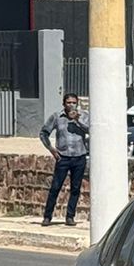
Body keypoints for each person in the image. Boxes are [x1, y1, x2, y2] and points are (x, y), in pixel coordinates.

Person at [39, 93, 90, 227]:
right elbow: (44, 133)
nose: (71, 105)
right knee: (56, 187)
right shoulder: (57, 117)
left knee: (75, 188)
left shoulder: (84, 116)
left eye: (74, 102)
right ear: (64, 104)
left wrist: (78, 120)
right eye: (68, 102)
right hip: (63, 157)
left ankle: (70, 216)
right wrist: (51, 149)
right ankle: (47, 216)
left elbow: (91, 130)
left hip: (79, 156)